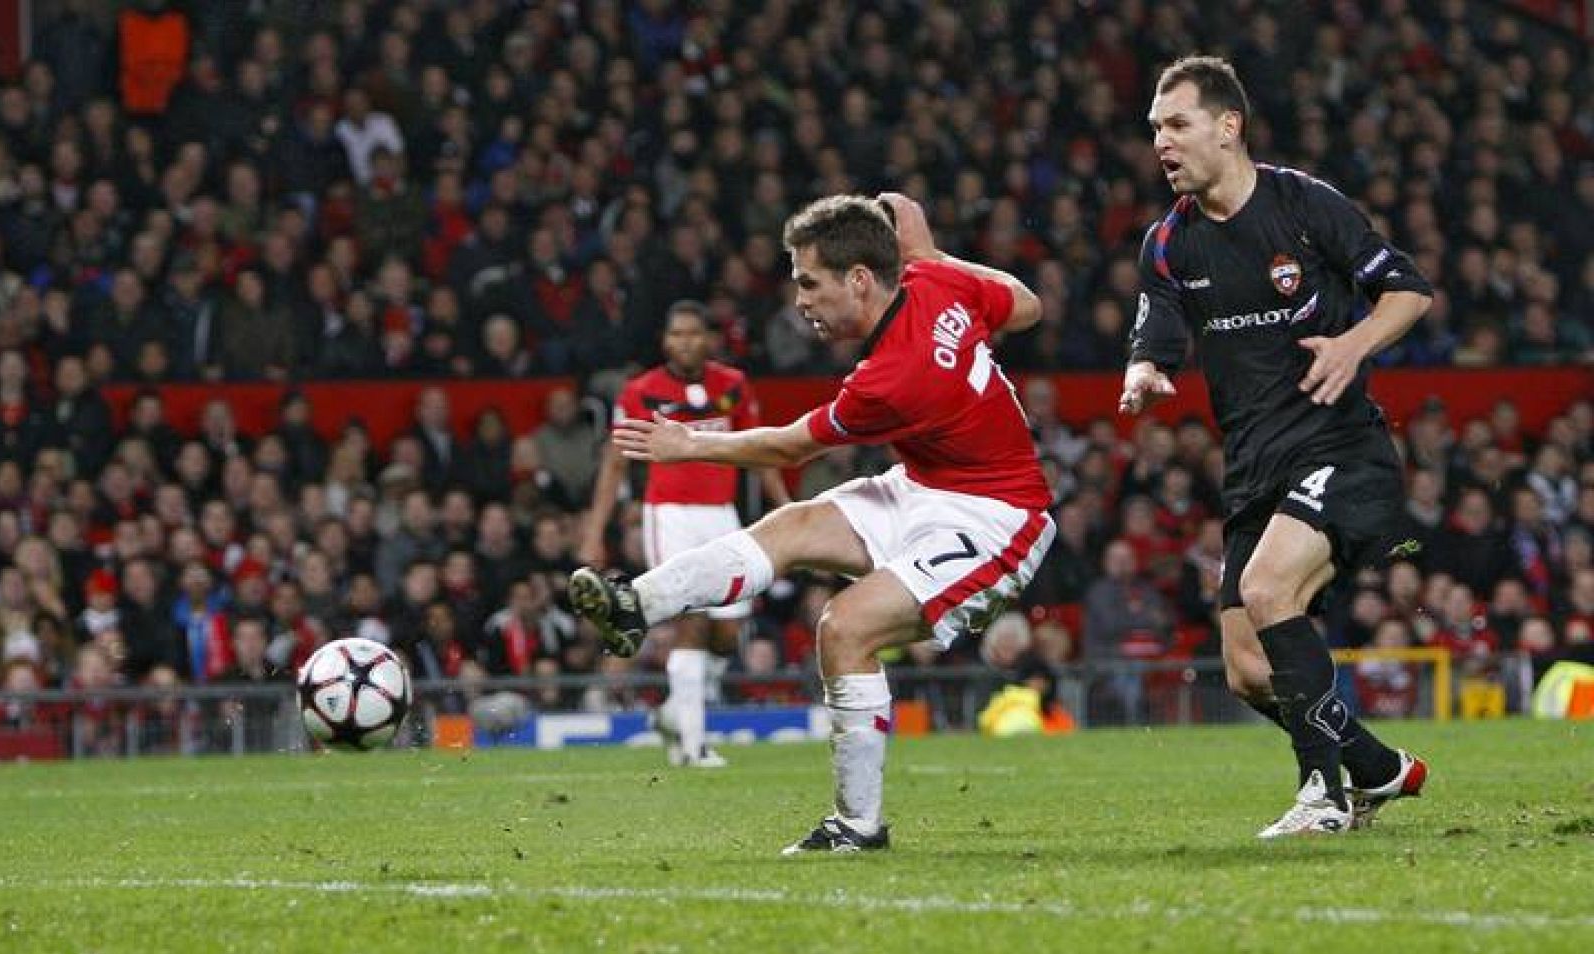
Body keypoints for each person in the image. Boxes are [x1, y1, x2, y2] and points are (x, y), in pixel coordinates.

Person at [570, 193, 1051, 853]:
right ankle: (635, 605)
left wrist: (692, 445)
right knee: (792, 525)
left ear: (859, 280)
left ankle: (857, 826)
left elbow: (792, 446)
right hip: (924, 484)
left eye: (809, 282)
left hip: (996, 516)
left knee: (845, 627)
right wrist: (935, 254)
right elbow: (1026, 304)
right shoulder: (931, 279)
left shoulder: (892, 376)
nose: (799, 301)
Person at [1120, 56, 1430, 838]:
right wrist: (1144, 372)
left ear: (1229, 129)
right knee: (1247, 668)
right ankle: (1377, 768)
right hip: (1254, 467)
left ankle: (1323, 796)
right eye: (1156, 127)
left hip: (1341, 447)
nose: (1161, 141)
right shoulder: (1168, 244)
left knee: (1267, 593)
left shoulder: (1303, 206)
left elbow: (1409, 289)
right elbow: (1155, 334)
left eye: (1177, 124)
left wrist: (1353, 344)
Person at [579, 300, 791, 767]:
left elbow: (761, 450)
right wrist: (595, 531)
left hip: (722, 513)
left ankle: (676, 713)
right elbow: (615, 463)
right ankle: (693, 747)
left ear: (708, 339)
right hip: (670, 514)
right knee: (692, 619)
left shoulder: (733, 386)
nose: (686, 342)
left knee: (727, 631)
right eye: (678, 335)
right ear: (666, 341)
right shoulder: (640, 392)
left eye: (695, 333)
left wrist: (788, 509)